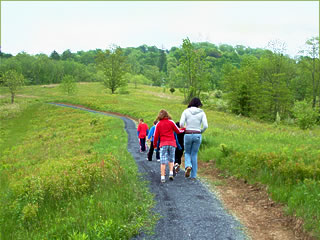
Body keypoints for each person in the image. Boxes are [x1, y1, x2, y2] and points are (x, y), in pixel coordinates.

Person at [180, 97, 208, 179]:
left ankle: (188, 165)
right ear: (199, 104)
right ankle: (193, 175)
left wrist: (185, 128)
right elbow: (206, 125)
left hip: (188, 134)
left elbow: (181, 124)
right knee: (194, 154)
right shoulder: (202, 113)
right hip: (197, 134)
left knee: (187, 152)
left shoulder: (186, 111)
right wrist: (200, 131)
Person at [153, 109, 185, 183]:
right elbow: (178, 131)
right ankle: (171, 173)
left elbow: (156, 136)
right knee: (171, 159)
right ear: (167, 115)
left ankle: (163, 177)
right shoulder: (171, 122)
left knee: (163, 161)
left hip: (163, 144)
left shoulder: (158, 124)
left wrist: (155, 145)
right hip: (172, 143)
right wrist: (184, 129)